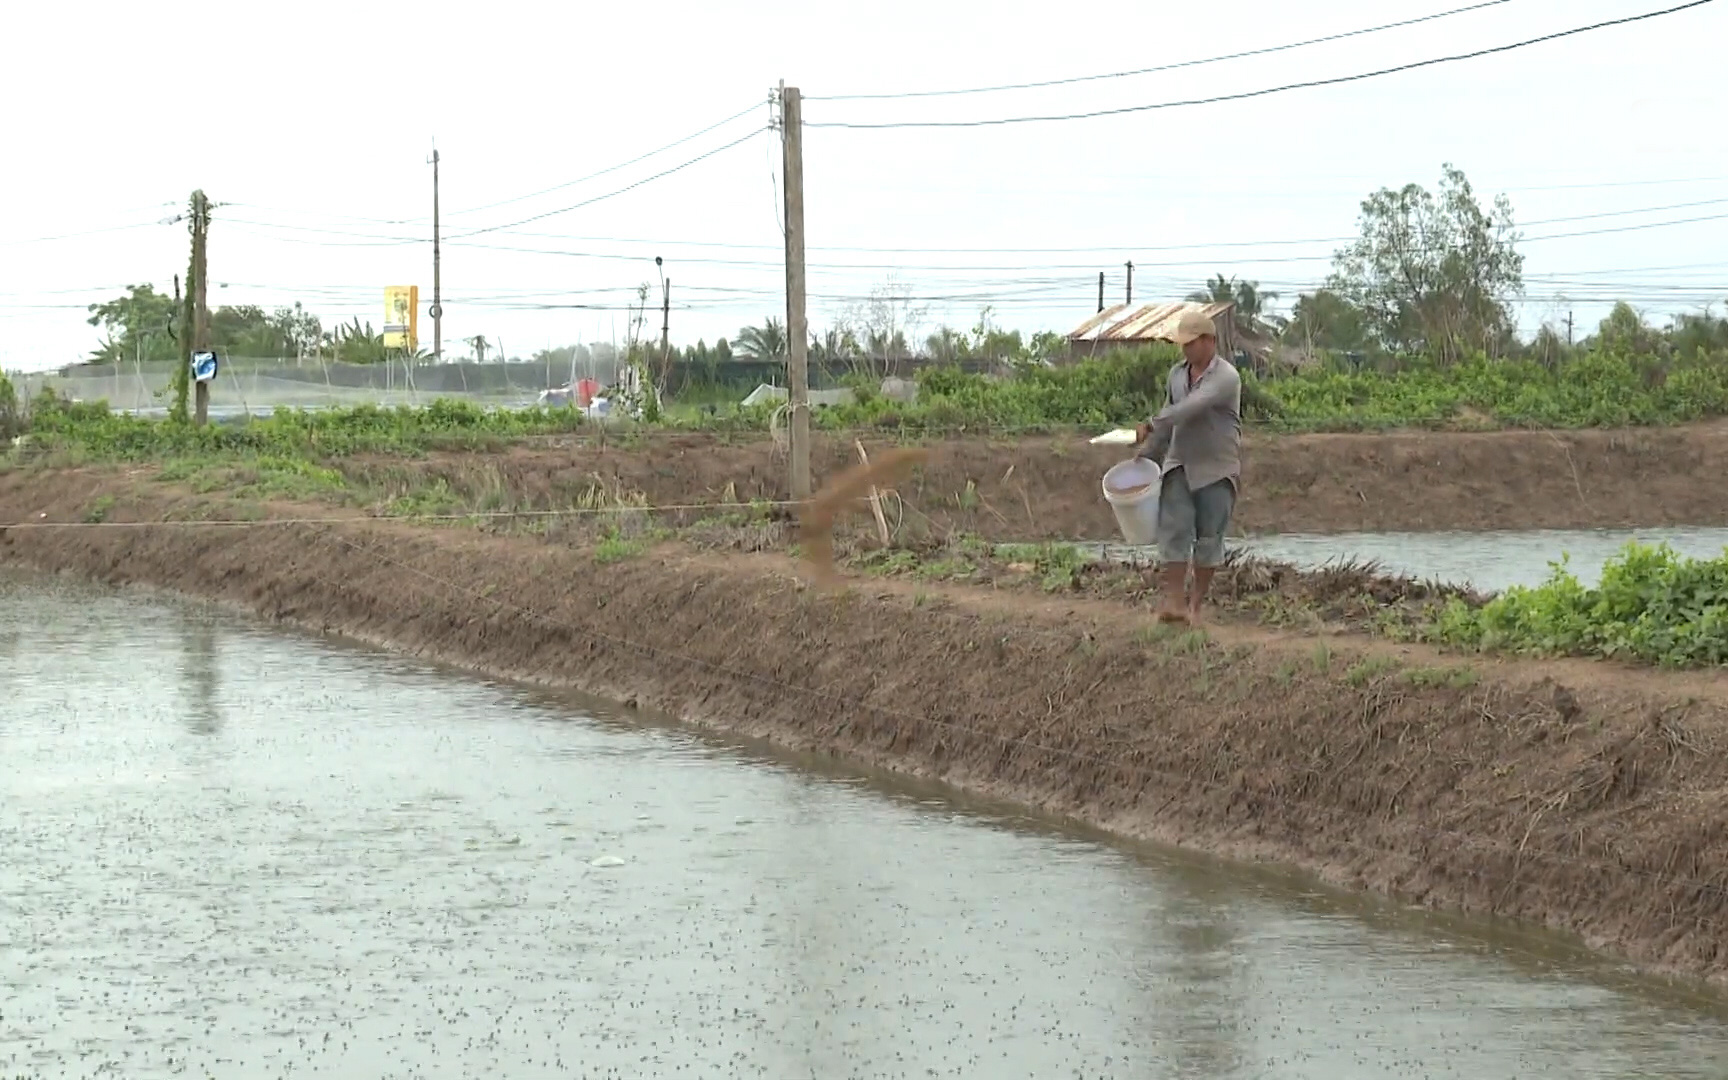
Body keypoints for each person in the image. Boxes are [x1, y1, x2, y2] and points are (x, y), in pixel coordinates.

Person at [1134, 308, 1242, 625]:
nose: (1185, 349)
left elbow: (1191, 407)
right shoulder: (1177, 375)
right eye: (1183, 343)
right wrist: (1146, 456)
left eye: (1191, 343)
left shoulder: (1226, 376)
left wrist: (1151, 424)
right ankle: (1174, 602)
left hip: (1216, 467)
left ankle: (1195, 607)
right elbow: (1171, 416)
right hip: (1179, 462)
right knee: (1174, 531)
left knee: (1209, 539)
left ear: (1210, 341)